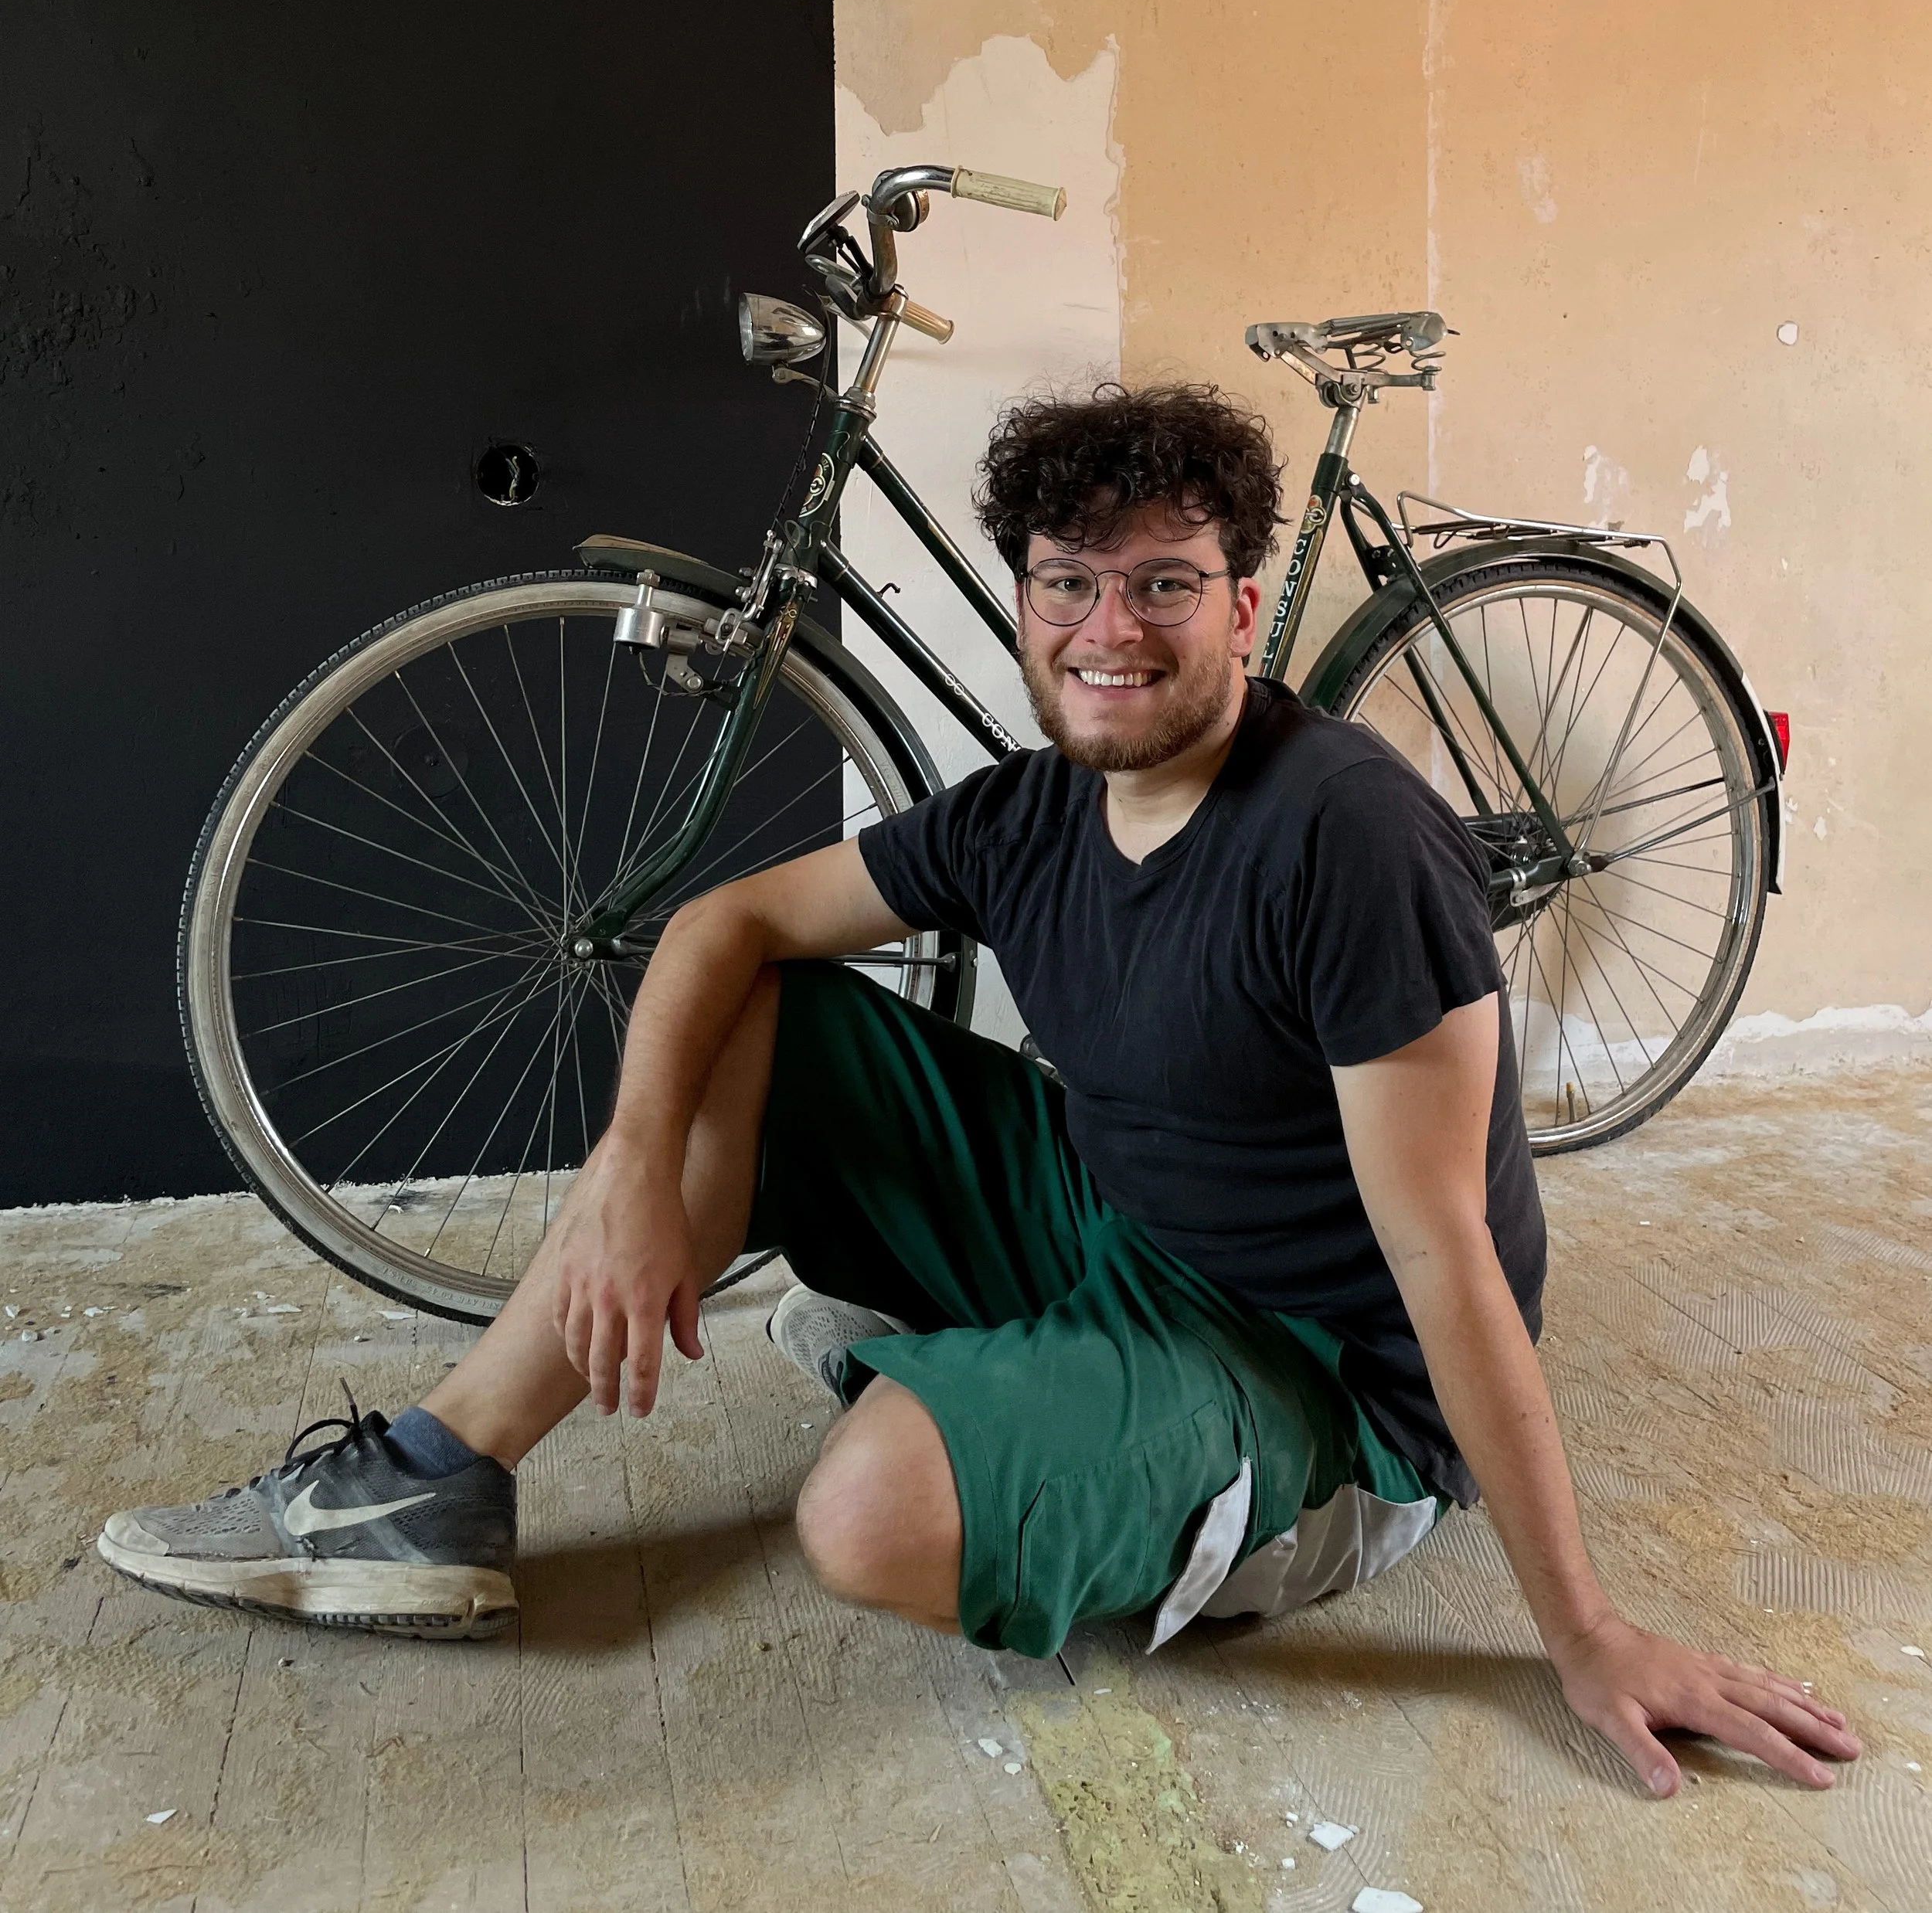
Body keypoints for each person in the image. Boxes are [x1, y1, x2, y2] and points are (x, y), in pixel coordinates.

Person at [99, 384, 1857, 1797]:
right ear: (1023, 603)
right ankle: (432, 1481)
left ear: (1243, 602)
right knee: (751, 1010)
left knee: (863, 1512)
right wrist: (636, 1164)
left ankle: (1070, 1438)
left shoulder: (1346, 840)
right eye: (1068, 586)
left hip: (1313, 1375)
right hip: (1110, 1225)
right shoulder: (1027, 812)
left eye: (1164, 583)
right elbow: (723, 923)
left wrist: (1584, 1629)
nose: (1112, 629)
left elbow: (1447, 1260)